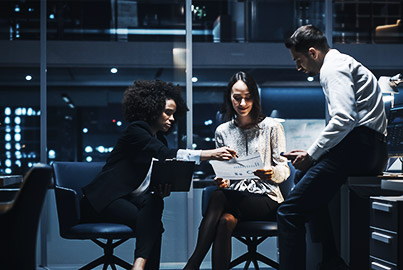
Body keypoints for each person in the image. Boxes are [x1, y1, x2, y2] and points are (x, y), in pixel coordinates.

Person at [81, 80, 237, 270]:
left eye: (173, 114)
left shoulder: (159, 138)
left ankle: (140, 265)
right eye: (167, 113)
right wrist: (209, 153)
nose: (171, 119)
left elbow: (148, 175)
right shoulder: (136, 131)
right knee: (153, 225)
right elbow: (164, 155)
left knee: (156, 202)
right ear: (152, 110)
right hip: (103, 200)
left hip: (130, 199)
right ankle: (139, 266)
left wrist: (160, 187)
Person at [278, 25, 389, 270]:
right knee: (302, 174)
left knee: (288, 213)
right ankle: (330, 260)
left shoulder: (332, 68)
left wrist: (312, 154)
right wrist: (311, 155)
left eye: (299, 60)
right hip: (369, 149)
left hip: (359, 147)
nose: (298, 67)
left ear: (312, 52)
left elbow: (344, 119)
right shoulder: (344, 62)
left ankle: (329, 260)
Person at [184, 71, 290, 270]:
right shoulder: (223, 131)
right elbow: (225, 173)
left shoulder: (271, 127)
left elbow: (284, 168)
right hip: (235, 198)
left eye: (248, 98)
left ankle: (193, 264)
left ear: (255, 98)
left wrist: (271, 173)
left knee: (218, 198)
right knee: (225, 221)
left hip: (266, 198)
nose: (242, 104)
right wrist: (223, 181)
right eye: (237, 98)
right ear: (229, 98)